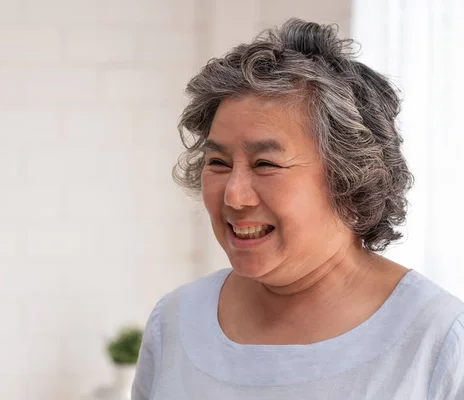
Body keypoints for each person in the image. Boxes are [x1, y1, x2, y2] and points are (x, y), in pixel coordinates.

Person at [131, 19, 464, 399]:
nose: (234, 196)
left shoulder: (439, 340)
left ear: (348, 175)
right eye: (219, 163)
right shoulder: (175, 323)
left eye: (266, 164)